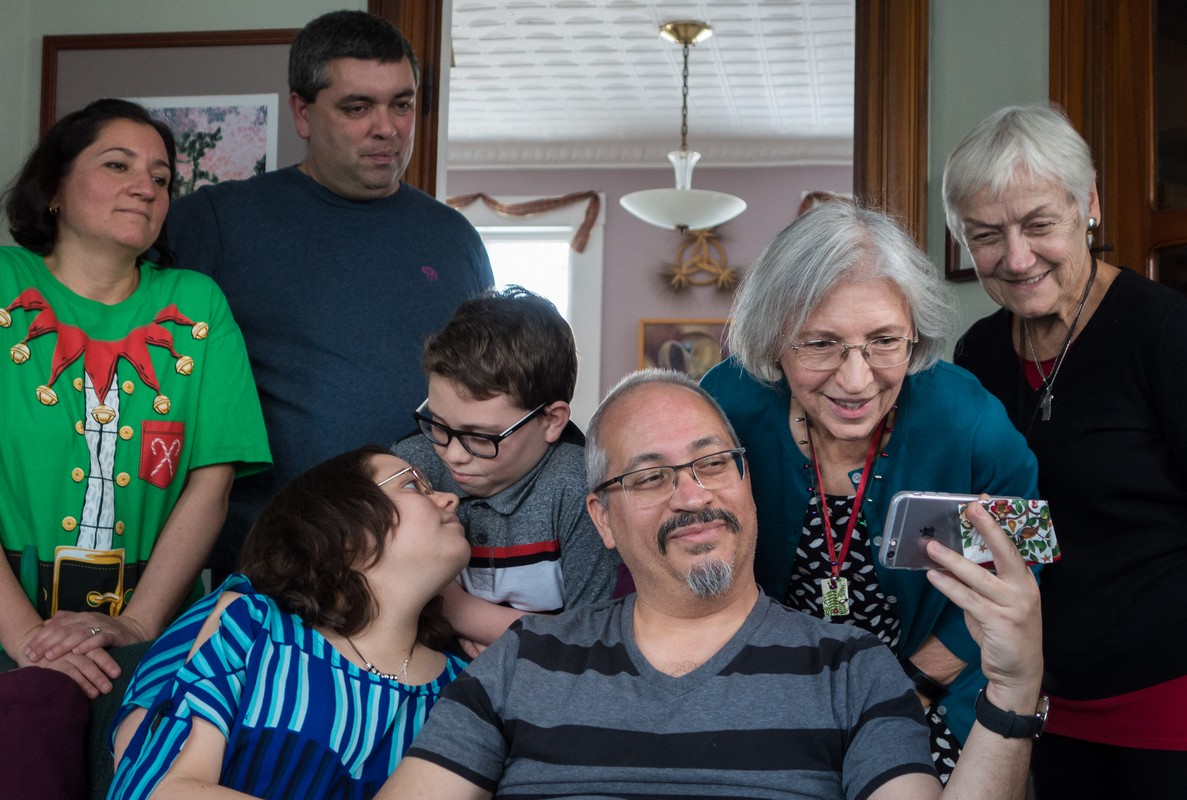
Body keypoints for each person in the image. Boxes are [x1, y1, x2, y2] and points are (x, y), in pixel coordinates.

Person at [378, 370, 1046, 799]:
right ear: (601, 520)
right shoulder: (523, 661)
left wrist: (1011, 690)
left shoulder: (851, 668)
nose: (691, 494)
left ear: (748, 483)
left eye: (713, 462)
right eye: (648, 476)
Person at [698, 201, 1037, 778]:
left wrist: (914, 687)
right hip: (763, 685)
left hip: (933, 688)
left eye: (884, 341)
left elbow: (1020, 566)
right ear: (774, 339)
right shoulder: (726, 405)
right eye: (821, 343)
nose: (856, 381)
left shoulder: (969, 420)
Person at [0, 97, 269, 796]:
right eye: (117, 165)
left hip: (152, 628)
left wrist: (138, 624)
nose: (146, 186)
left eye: (160, 176)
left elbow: (210, 484)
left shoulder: (196, 304)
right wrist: (27, 638)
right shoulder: (2, 285)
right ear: (54, 188)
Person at [166, 10, 493, 579]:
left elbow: (490, 394)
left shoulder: (453, 237)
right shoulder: (216, 221)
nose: (387, 127)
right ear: (302, 112)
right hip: (276, 559)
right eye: (357, 107)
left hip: (428, 563)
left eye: (402, 103)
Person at [945, 104, 1187, 798]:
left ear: (1089, 205)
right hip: (1040, 697)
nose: (1015, 259)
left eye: (1038, 225)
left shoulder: (1162, 332)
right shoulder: (978, 354)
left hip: (1168, 697)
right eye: (986, 235)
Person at [108, 445, 470, 798]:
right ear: (342, 529)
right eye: (411, 484)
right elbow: (161, 789)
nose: (449, 499)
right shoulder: (252, 627)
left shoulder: (467, 690)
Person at [393, 286, 619, 653]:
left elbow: (591, 641)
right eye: (437, 423)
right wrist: (525, 635)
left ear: (551, 421)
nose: (452, 455)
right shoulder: (408, 467)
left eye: (481, 437)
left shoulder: (581, 490)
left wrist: (459, 611)